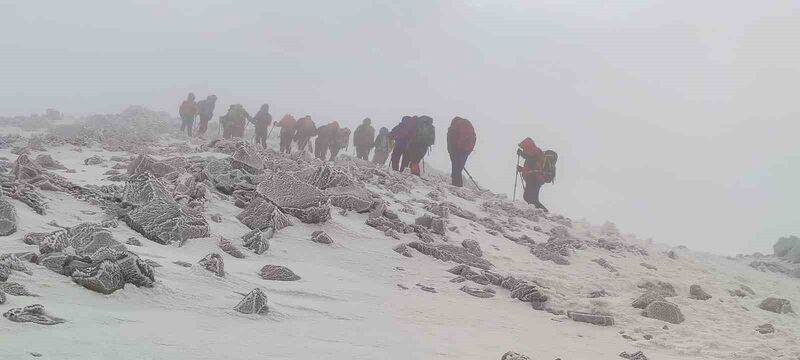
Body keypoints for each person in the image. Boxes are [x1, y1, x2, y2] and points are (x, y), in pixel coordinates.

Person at [517, 137, 549, 212]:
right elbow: (531, 166)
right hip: (533, 178)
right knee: (528, 198)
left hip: (535, 178)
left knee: (531, 199)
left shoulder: (536, 151)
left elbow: (530, 157)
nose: (523, 149)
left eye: (524, 147)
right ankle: (541, 212)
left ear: (528, 145)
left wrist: (521, 154)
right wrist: (521, 169)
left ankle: (544, 213)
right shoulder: (532, 153)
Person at [446, 117, 476, 187]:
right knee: (458, 169)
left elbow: (451, 139)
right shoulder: (466, 125)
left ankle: (456, 186)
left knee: (455, 169)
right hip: (466, 150)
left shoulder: (454, 126)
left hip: (457, 150)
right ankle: (458, 186)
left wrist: (451, 150)